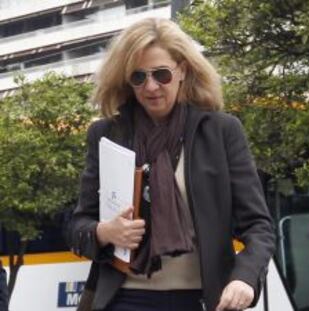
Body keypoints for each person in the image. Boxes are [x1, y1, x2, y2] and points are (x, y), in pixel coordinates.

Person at [69, 17, 275, 311]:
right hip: (125, 299)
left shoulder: (221, 131)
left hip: (203, 299)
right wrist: (104, 232)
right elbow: (78, 224)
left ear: (183, 71)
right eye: (138, 77)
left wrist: (244, 278)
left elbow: (259, 226)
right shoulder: (106, 135)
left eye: (161, 74)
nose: (150, 87)